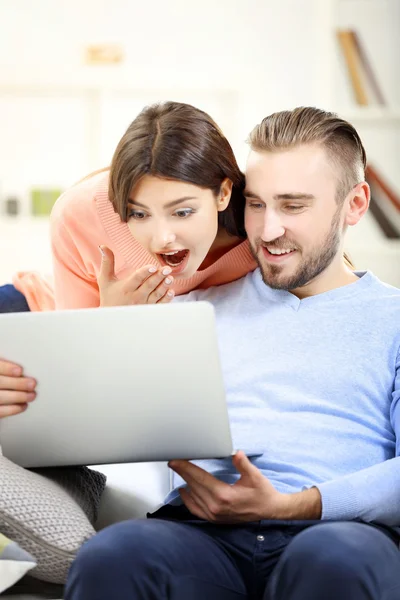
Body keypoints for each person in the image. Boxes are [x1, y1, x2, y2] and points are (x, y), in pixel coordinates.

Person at [64, 107, 400, 600]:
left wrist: (296, 505)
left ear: (354, 205)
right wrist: (115, 330)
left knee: (334, 562)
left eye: (293, 206)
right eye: (257, 204)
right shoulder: (187, 306)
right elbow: (94, 427)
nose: (266, 231)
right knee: (114, 555)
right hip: (202, 534)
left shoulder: (392, 317)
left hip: (338, 530)